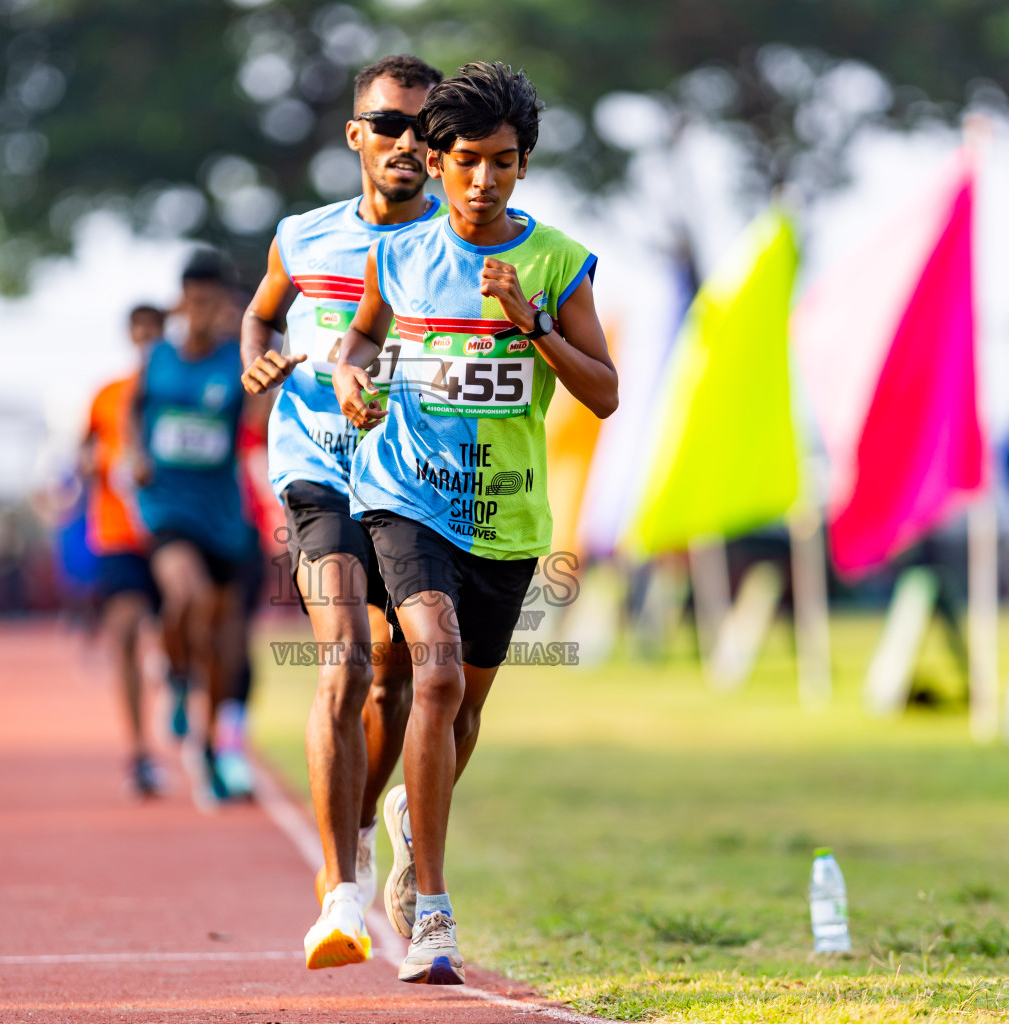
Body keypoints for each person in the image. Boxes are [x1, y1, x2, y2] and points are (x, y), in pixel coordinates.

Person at [332, 61, 618, 985]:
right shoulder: (402, 251)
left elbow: (605, 395)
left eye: (501, 162)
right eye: (465, 161)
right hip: (405, 496)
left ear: (524, 165)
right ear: (437, 159)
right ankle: (433, 910)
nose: (481, 180)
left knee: (462, 715)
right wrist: (354, 381)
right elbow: (363, 338)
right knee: (436, 672)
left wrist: (532, 324)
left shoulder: (558, 260)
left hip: (507, 515)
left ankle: (415, 817)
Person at [240, 53, 444, 971]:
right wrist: (260, 360)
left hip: (413, 478)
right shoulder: (303, 235)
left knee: (397, 670)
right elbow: (262, 315)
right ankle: (338, 897)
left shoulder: (458, 246)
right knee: (346, 655)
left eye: (424, 128)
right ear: (356, 135)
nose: (408, 141)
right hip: (315, 467)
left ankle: (365, 828)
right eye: (389, 124)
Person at [135, 250, 260, 804]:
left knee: (221, 635)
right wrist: (135, 453)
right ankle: (177, 679)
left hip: (223, 516)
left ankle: (209, 741)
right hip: (166, 507)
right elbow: (133, 408)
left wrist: (260, 363)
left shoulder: (238, 360)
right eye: (197, 301)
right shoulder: (158, 357)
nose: (205, 312)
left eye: (216, 303)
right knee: (184, 594)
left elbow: (257, 424)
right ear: (182, 301)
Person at [82, 305, 167, 798]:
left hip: (171, 531)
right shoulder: (107, 394)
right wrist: (102, 464)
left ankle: (176, 681)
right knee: (126, 634)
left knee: (178, 633)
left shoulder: (177, 391)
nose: (147, 343)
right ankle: (139, 752)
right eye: (140, 335)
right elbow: (84, 452)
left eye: (155, 334)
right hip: (117, 534)